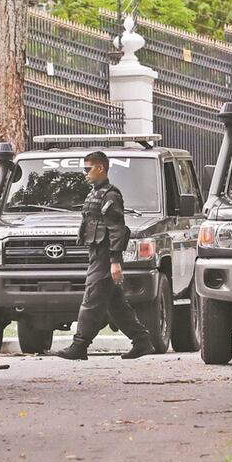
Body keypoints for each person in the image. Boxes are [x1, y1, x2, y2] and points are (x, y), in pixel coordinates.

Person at [53, 150, 153, 360]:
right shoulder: (94, 193)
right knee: (115, 304)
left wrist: (115, 262)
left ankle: (79, 345)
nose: (85, 173)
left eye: (88, 169)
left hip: (106, 255)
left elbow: (117, 228)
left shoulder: (110, 195)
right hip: (97, 253)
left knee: (92, 298)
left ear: (100, 168)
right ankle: (142, 341)